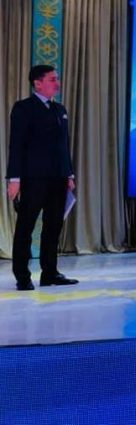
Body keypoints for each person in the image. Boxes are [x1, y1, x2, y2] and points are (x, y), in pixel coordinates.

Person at [5, 64, 79, 290]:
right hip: (33, 178)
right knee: (25, 227)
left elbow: (64, 145)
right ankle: (22, 276)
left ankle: (50, 273)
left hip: (58, 178)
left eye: (57, 79)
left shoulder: (59, 109)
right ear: (37, 83)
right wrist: (14, 179)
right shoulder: (23, 108)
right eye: (52, 79)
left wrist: (69, 173)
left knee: (53, 227)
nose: (57, 83)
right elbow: (16, 145)